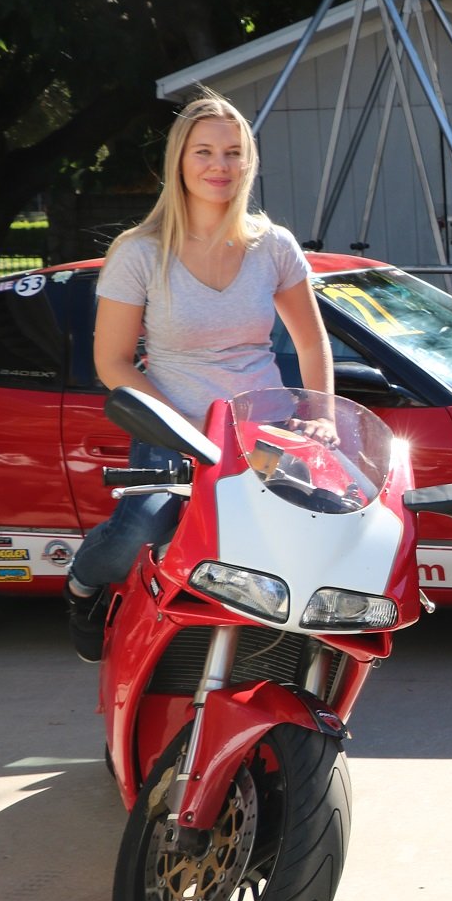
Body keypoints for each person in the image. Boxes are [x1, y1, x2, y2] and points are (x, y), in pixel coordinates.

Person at [64, 92, 334, 660]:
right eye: (205, 152)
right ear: (179, 162)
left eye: (234, 153)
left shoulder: (274, 246)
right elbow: (111, 363)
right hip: (171, 429)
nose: (220, 166)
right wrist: (181, 425)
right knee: (141, 530)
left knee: (318, 523)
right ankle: (84, 586)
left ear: (249, 162)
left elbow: (310, 340)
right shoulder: (139, 252)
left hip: (259, 432)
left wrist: (323, 417)